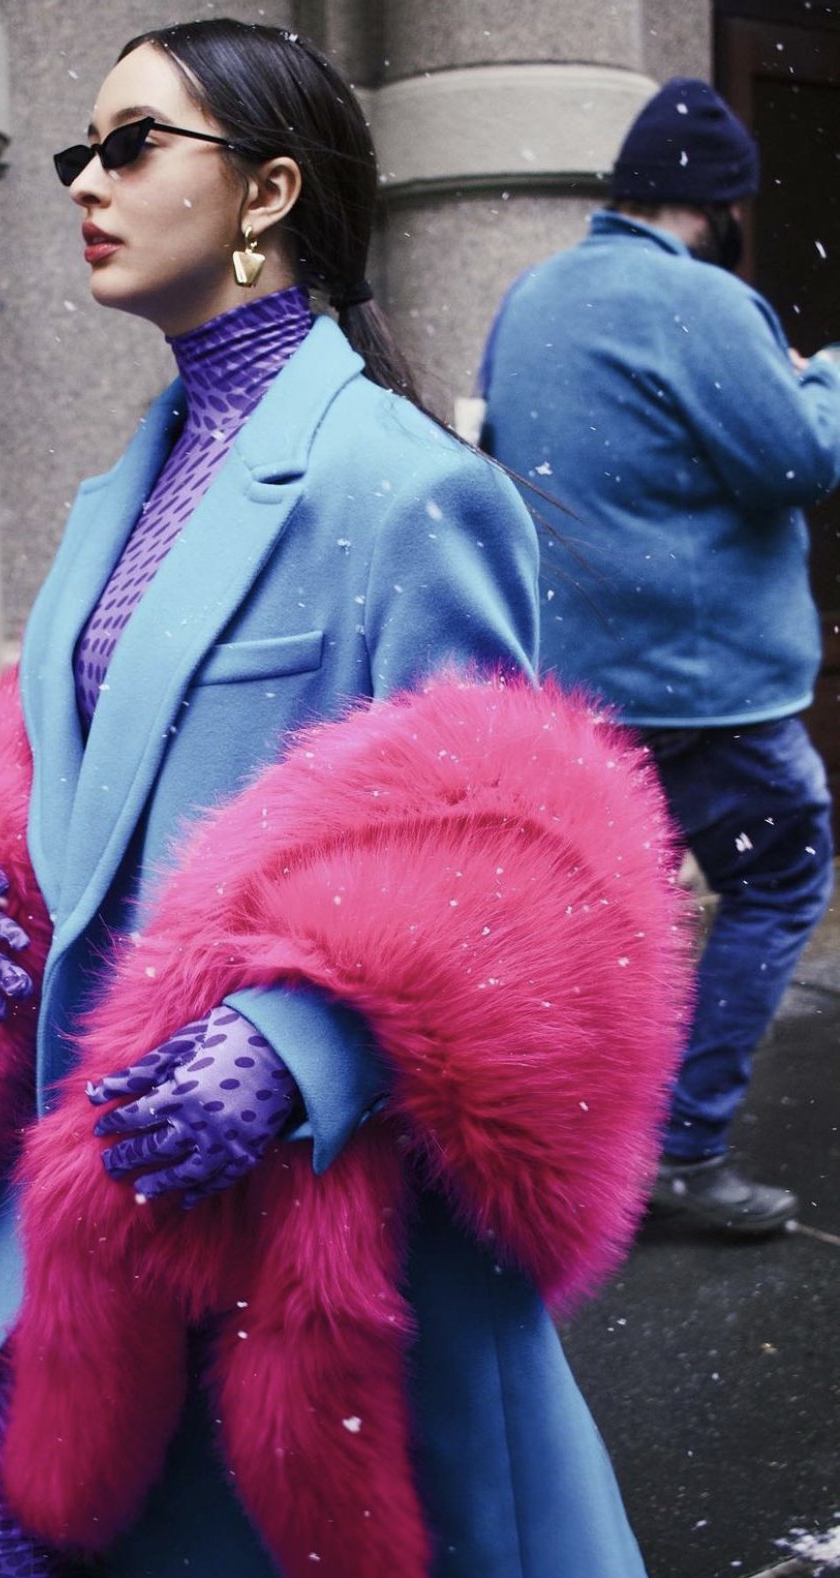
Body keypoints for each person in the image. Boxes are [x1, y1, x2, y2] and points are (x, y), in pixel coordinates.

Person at [0, 21, 687, 1578]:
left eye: (134, 145)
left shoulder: (404, 489)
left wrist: (301, 1042)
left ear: (269, 192)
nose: (88, 181)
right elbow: (80, 734)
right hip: (70, 1160)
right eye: (83, 147)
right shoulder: (139, 469)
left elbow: (512, 863)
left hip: (268, 1232)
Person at [479, 76, 840, 1238]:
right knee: (782, 874)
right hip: (702, 687)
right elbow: (802, 463)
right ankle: (682, 1149)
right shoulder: (704, 302)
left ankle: (547, 1153)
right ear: (722, 205)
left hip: (575, 682)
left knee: (603, 911)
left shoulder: (532, 295)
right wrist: (827, 372)